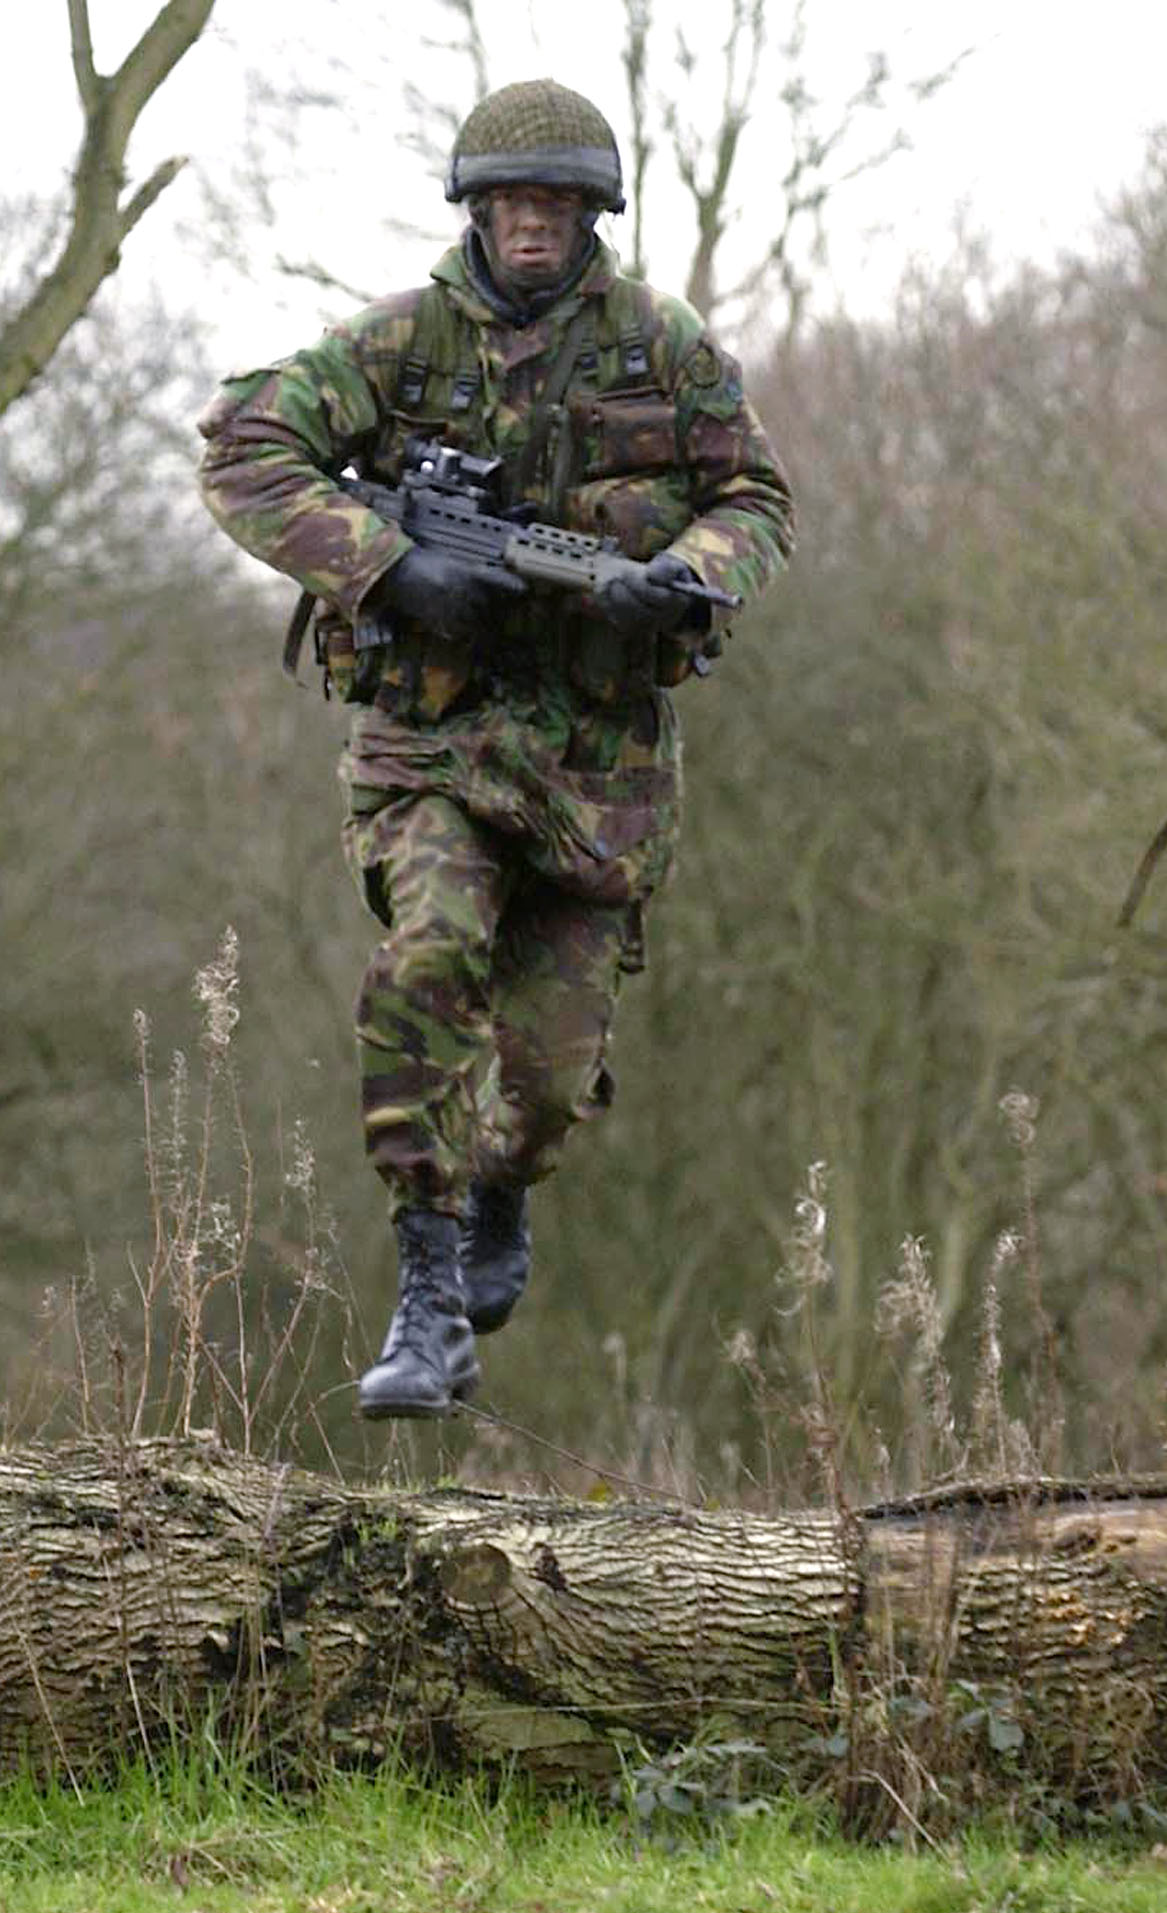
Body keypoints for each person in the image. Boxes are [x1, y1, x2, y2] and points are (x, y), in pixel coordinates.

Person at [196, 80, 795, 1418]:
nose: (535, 226)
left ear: (595, 215)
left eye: (561, 204)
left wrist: (689, 577)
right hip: (433, 745)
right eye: (514, 202)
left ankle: (503, 1188)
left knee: (544, 1082)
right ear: (477, 210)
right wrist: (387, 567)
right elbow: (243, 446)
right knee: (429, 958)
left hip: (598, 769)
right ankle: (425, 1293)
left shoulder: (661, 345)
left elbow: (755, 493)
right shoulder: (402, 344)